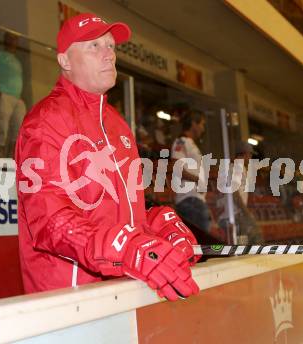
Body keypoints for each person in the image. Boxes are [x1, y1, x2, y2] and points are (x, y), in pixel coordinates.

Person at [15, 13, 199, 301]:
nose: (109, 55)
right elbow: (50, 222)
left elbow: (120, 217)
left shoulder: (117, 124)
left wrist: (157, 224)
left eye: (111, 46)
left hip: (119, 293)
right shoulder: (46, 120)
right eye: (94, 46)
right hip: (68, 301)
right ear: (64, 61)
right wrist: (126, 249)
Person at [171, 111, 210, 234]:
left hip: (195, 200)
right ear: (194, 124)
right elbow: (177, 167)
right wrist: (198, 180)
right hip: (190, 199)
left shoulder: (191, 144)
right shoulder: (181, 142)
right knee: (203, 243)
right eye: (202, 124)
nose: (203, 129)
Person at [0, 31, 26, 157]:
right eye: (11, 38)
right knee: (2, 127)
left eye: (15, 39)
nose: (13, 41)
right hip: (4, 95)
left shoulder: (17, 61)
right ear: (5, 40)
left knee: (19, 130)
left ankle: (12, 158)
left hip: (17, 98)